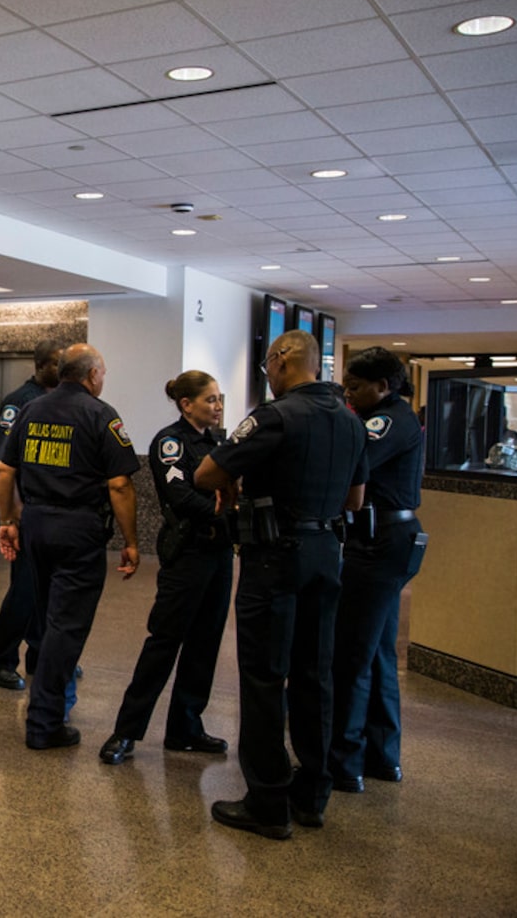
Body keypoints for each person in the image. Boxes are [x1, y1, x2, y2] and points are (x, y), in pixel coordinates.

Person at [195, 330, 367, 840]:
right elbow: (355, 502)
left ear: (284, 360)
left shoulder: (275, 416)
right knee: (315, 675)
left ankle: (268, 802)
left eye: (269, 364)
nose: (267, 374)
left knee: (265, 677)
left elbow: (206, 473)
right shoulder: (352, 422)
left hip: (275, 558)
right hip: (326, 555)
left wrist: (234, 482)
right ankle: (312, 794)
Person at [0, 343, 140, 750]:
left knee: (46, 618)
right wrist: (131, 542)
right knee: (66, 627)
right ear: (92, 374)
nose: (103, 379)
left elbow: (5, 469)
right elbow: (120, 484)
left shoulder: (32, 410)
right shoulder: (100, 413)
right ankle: (44, 723)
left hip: (36, 525)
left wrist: (8, 520)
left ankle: (43, 707)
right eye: (103, 372)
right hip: (78, 529)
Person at [99, 371, 232, 765]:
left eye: (219, 399)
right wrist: (227, 513)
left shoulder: (218, 443)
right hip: (187, 553)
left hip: (219, 554)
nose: (218, 406)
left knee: (205, 644)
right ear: (186, 404)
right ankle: (126, 731)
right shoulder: (170, 442)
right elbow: (180, 495)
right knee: (164, 643)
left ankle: (186, 728)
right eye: (210, 400)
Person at [330, 347, 426, 794]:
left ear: (383, 386)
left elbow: (351, 457)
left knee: (352, 654)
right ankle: (383, 756)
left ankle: (345, 763)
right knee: (380, 654)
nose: (348, 394)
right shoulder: (394, 415)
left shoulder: (387, 420)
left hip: (380, 544)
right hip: (388, 541)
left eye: (355, 387)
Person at [0, 340, 63, 691]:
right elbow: (6, 464)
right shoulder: (19, 401)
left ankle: (40, 656)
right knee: (24, 591)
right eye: (58, 366)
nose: (63, 373)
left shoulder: (60, 401)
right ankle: (0, 659)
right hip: (26, 511)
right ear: (42, 365)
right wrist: (11, 517)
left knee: (48, 591)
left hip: (53, 512)